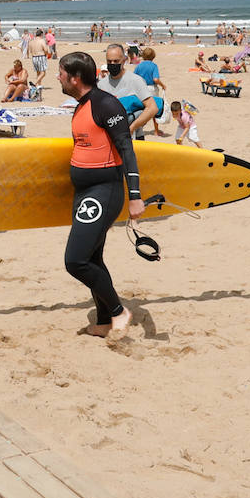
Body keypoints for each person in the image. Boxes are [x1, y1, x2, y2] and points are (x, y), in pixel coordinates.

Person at [57, 51, 144, 338]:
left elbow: (127, 150)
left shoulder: (106, 104)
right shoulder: (82, 105)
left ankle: (119, 311)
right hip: (85, 193)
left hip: (104, 191)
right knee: (92, 259)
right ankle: (105, 320)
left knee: (76, 261)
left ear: (75, 78)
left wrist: (135, 196)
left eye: (61, 73)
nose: (58, 77)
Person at [100, 43, 158, 139]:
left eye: (116, 61)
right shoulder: (101, 84)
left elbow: (152, 108)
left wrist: (132, 127)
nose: (112, 64)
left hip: (133, 137)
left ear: (124, 60)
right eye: (109, 61)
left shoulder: (136, 80)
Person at [135, 46, 168, 137]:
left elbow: (134, 77)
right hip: (151, 88)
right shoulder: (153, 66)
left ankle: (138, 128)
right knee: (155, 109)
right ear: (153, 56)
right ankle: (156, 131)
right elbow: (156, 79)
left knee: (141, 109)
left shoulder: (139, 65)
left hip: (141, 88)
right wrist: (163, 85)